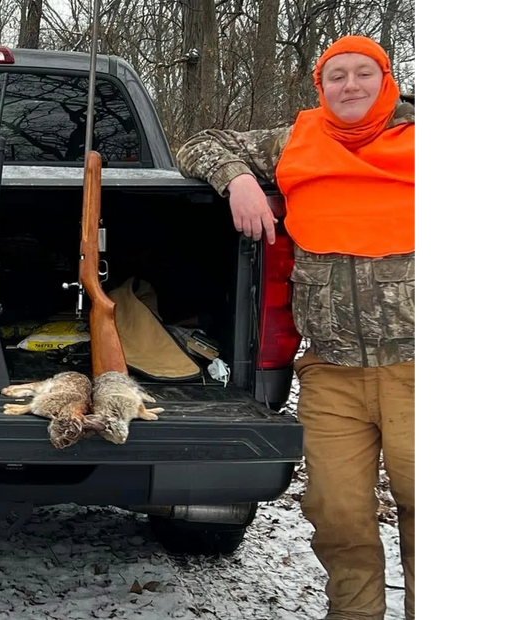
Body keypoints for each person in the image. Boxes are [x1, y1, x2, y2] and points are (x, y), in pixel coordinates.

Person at [175, 35, 417, 620]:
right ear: (320, 86)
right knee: (338, 516)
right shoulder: (295, 140)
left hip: (414, 367)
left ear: (386, 79)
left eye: (364, 73)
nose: (350, 85)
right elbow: (200, 144)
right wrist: (238, 179)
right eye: (337, 75)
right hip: (332, 373)